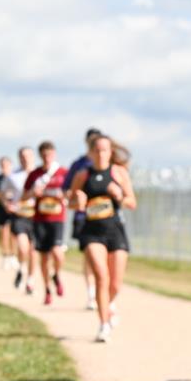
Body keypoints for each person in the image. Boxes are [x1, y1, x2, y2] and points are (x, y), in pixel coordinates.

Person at [70, 134, 137, 342]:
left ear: (110, 152)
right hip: (92, 231)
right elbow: (71, 202)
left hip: (115, 230)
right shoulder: (82, 175)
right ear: (90, 153)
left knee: (115, 284)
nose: (100, 154)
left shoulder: (119, 172)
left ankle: (108, 304)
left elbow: (132, 202)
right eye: (97, 150)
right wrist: (77, 202)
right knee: (101, 276)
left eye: (104, 150)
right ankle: (104, 324)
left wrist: (119, 196)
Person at [24, 141, 69, 305]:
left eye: (49, 154)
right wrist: (33, 193)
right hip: (39, 220)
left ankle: (56, 274)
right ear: (40, 155)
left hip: (57, 219)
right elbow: (23, 196)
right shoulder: (34, 174)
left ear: (54, 154)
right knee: (43, 257)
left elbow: (72, 193)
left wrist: (64, 195)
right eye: (43, 155)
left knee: (57, 253)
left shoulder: (63, 172)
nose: (46, 158)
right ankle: (47, 289)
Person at [64, 128, 103, 310]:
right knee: (90, 256)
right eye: (92, 141)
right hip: (83, 217)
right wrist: (76, 198)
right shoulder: (79, 165)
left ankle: (104, 294)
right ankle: (91, 294)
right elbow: (67, 191)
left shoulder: (110, 164)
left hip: (106, 220)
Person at [3, 147, 38, 294]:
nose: (25, 158)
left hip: (36, 216)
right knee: (23, 248)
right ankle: (22, 268)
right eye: (22, 156)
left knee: (33, 251)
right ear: (19, 158)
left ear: (33, 156)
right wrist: (7, 204)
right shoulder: (13, 176)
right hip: (19, 215)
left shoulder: (40, 174)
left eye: (28, 155)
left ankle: (30, 280)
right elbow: (3, 193)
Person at [0, 156, 17, 270]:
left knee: (14, 233)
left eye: (6, 164)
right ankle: (5, 256)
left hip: (15, 208)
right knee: (4, 232)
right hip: (3, 209)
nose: (4, 167)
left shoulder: (16, 176)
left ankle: (13, 255)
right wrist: (2, 195)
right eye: (2, 165)